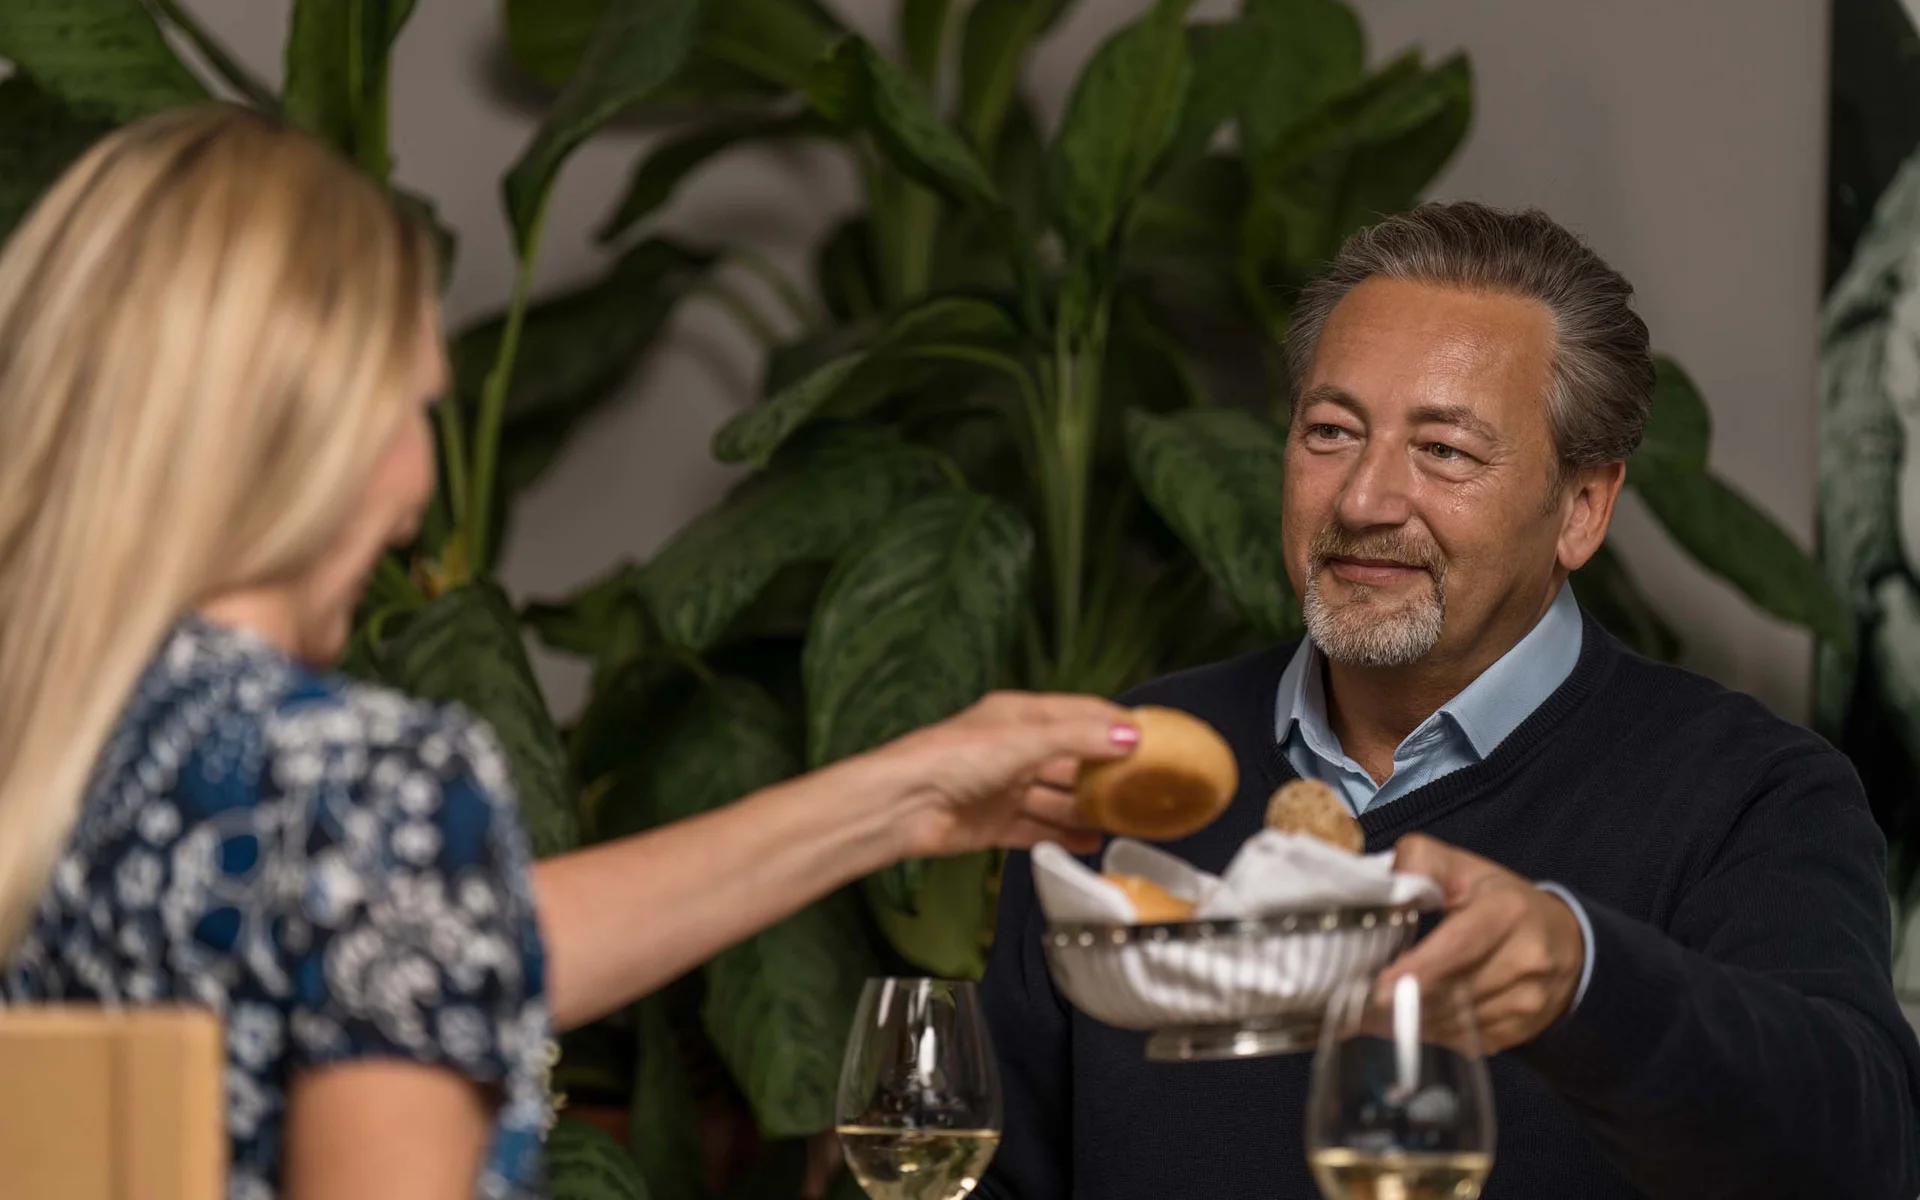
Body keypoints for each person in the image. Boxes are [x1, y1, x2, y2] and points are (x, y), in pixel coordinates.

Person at [0, 105, 1138, 1200]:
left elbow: (434, 945)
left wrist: (909, 793)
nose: (413, 495)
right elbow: (399, 918)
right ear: (310, 429)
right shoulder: (361, 784)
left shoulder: (63, 753)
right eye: (409, 415)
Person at [980, 202, 1920, 1200]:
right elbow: (990, 1167)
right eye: (1331, 432)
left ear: (1582, 508)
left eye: (1445, 451)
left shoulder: (1749, 794)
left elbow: (1867, 1158)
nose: (1363, 500)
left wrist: (1582, 975)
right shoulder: (1141, 765)